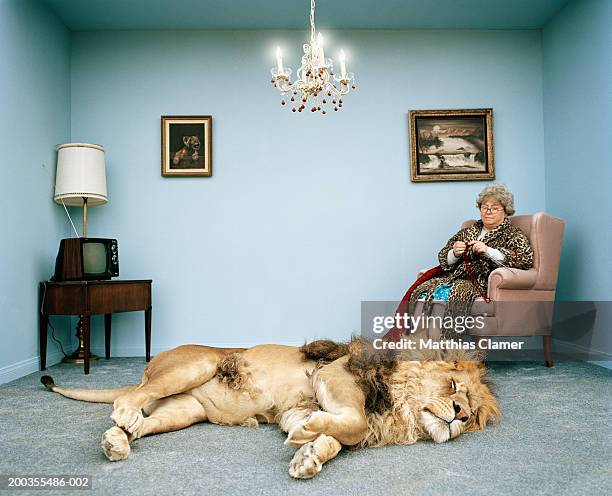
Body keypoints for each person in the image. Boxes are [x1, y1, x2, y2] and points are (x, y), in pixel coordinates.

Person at [410, 184, 533, 335]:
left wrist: (488, 251)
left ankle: (440, 349)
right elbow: (443, 255)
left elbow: (525, 259)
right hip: (453, 277)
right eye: (484, 207)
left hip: (480, 282)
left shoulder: (513, 235)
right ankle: (415, 345)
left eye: (494, 208)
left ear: (506, 211)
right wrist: (454, 253)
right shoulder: (468, 231)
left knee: (444, 299)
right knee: (422, 293)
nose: (488, 211)